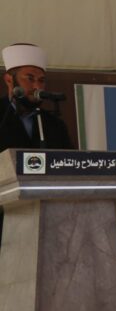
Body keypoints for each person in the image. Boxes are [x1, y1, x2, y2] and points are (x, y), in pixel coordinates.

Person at [0, 43, 73, 247]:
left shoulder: (54, 124)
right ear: (9, 80)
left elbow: (70, 166)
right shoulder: (2, 118)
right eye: (29, 79)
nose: (37, 87)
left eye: (41, 81)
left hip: (48, 223)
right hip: (5, 220)